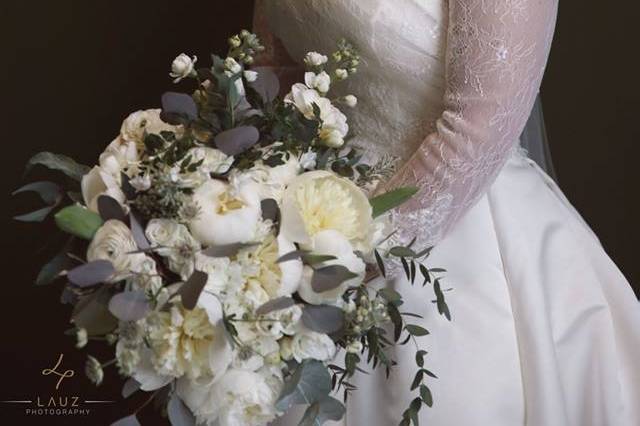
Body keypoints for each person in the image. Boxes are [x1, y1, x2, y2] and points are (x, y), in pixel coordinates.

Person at [253, 1, 640, 424]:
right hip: (306, 213)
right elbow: (275, 67)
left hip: (458, 239)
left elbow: (476, 128)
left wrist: (343, 262)